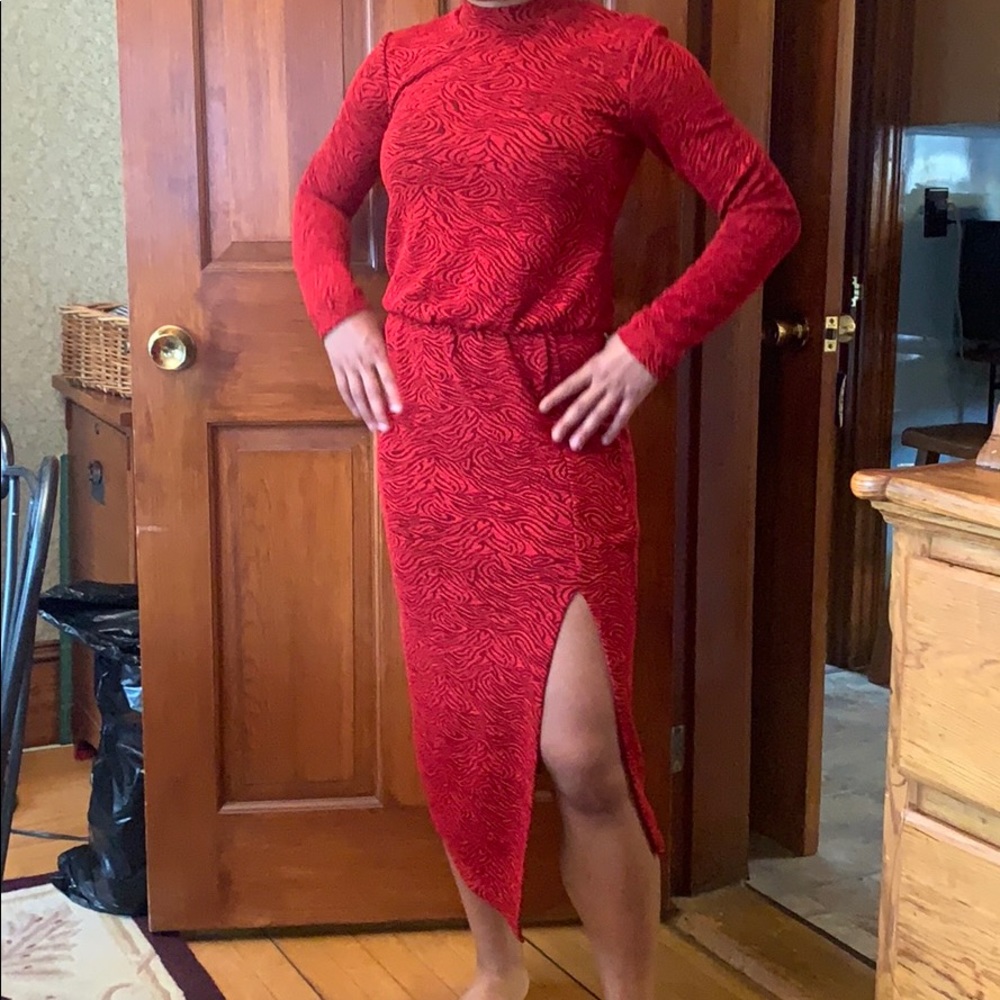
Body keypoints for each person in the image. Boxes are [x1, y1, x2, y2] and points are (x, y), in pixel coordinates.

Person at [292, 1, 800, 997]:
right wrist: (339, 315)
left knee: (581, 750)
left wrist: (647, 344)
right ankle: (498, 969)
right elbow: (318, 197)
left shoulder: (631, 56)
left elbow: (763, 209)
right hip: (429, 429)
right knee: (460, 728)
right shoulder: (400, 61)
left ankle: (628, 992)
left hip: (557, 423)